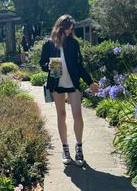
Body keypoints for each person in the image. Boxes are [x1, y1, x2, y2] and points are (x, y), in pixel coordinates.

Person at [39, 14, 99, 166]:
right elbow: (42, 63)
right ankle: (65, 148)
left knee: (77, 115)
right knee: (62, 114)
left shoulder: (73, 43)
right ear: (60, 27)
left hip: (73, 84)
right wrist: (49, 66)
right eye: (68, 29)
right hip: (56, 83)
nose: (70, 32)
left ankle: (79, 148)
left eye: (72, 29)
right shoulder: (48, 44)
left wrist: (90, 82)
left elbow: (79, 65)